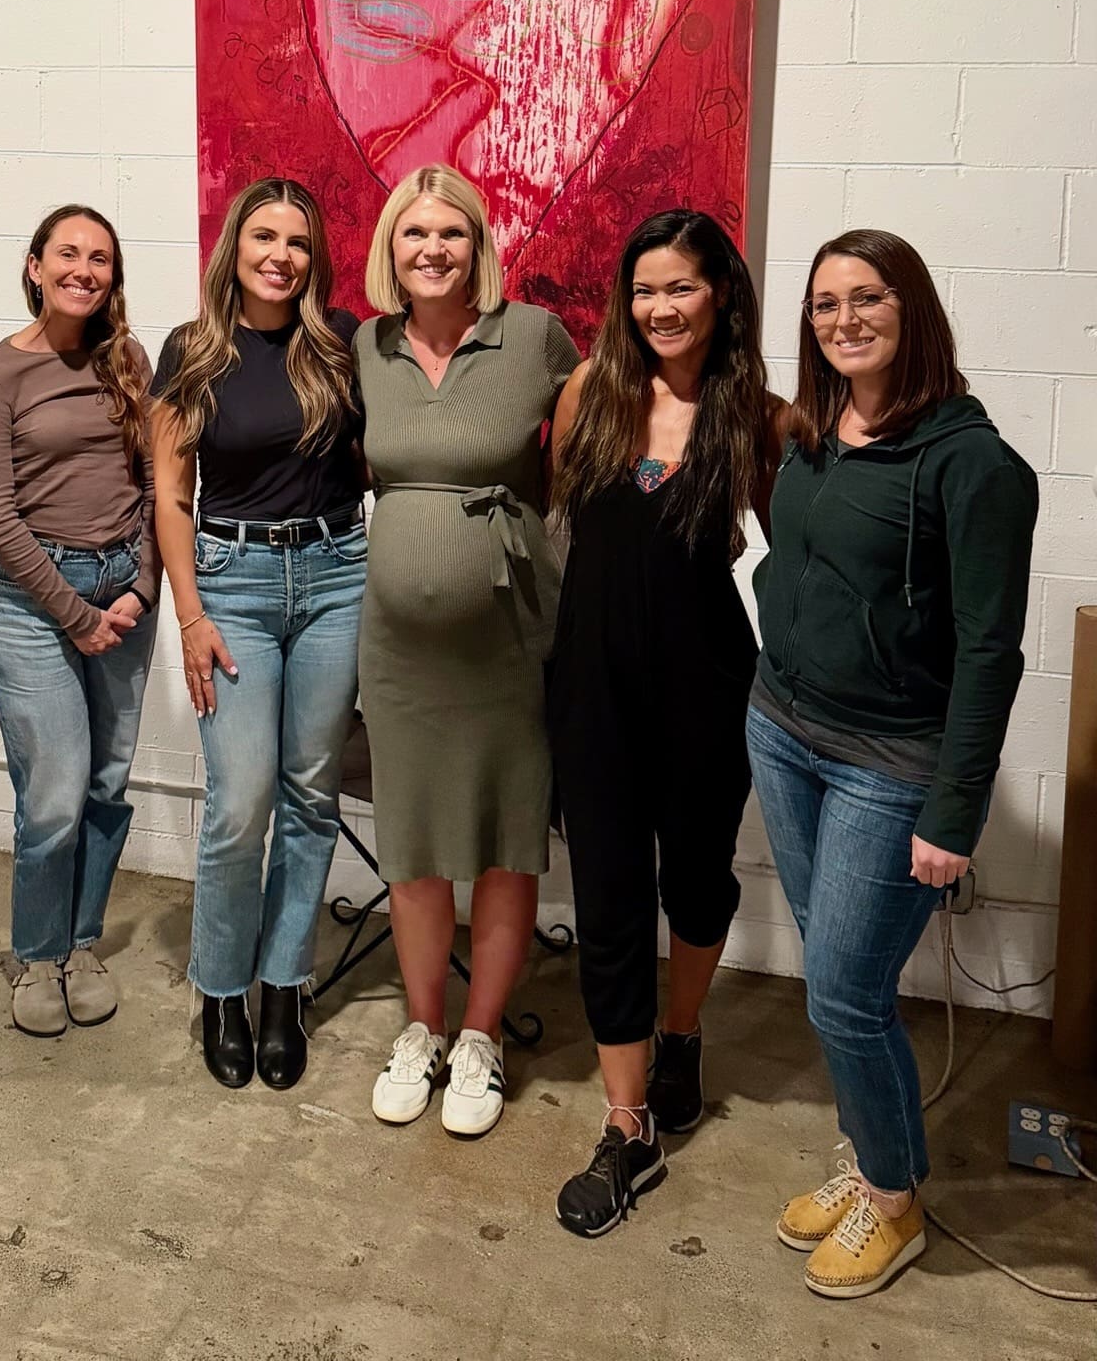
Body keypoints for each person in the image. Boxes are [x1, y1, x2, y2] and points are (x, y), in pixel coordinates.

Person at [749, 229, 1037, 1299]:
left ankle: (895, 1198)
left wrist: (953, 813)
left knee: (842, 994)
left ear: (911, 309)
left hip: (889, 764)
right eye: (825, 304)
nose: (844, 319)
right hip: (782, 728)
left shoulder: (974, 464)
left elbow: (988, 650)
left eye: (868, 298)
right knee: (842, 977)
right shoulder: (817, 429)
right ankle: (877, 1159)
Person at [546, 210, 784, 1237]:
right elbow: (567, 527)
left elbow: (800, 553)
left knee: (695, 879)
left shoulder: (758, 418)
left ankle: (681, 1031)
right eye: (645, 288)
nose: (661, 306)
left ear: (720, 293)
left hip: (706, 686)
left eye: (681, 286)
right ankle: (627, 1120)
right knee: (605, 896)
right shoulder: (591, 394)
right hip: (591, 685)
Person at [354, 164, 579, 1139]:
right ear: (390, 250)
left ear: (478, 245)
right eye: (415, 233)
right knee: (411, 840)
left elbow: (582, 455)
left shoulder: (530, 335)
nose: (433, 248)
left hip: (506, 633)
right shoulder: (363, 346)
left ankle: (481, 1036)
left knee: (501, 836)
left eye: (452, 232)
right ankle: (421, 1025)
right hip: (396, 644)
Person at [151, 178, 364, 1092]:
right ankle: (222, 989)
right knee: (241, 804)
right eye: (264, 237)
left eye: (299, 242)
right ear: (234, 246)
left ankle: (286, 985)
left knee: (313, 795)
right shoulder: (192, 350)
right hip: (231, 584)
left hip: (335, 576)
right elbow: (168, 494)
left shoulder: (343, 344)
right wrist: (190, 614)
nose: (281, 255)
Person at [0, 205, 159, 1038]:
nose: (84, 269)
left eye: (101, 258)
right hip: (32, 601)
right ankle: (36, 955)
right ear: (34, 265)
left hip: (122, 592)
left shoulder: (128, 360)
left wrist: (142, 588)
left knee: (107, 784)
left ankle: (81, 943)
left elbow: (159, 485)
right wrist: (75, 614)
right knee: (53, 793)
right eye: (67, 254)